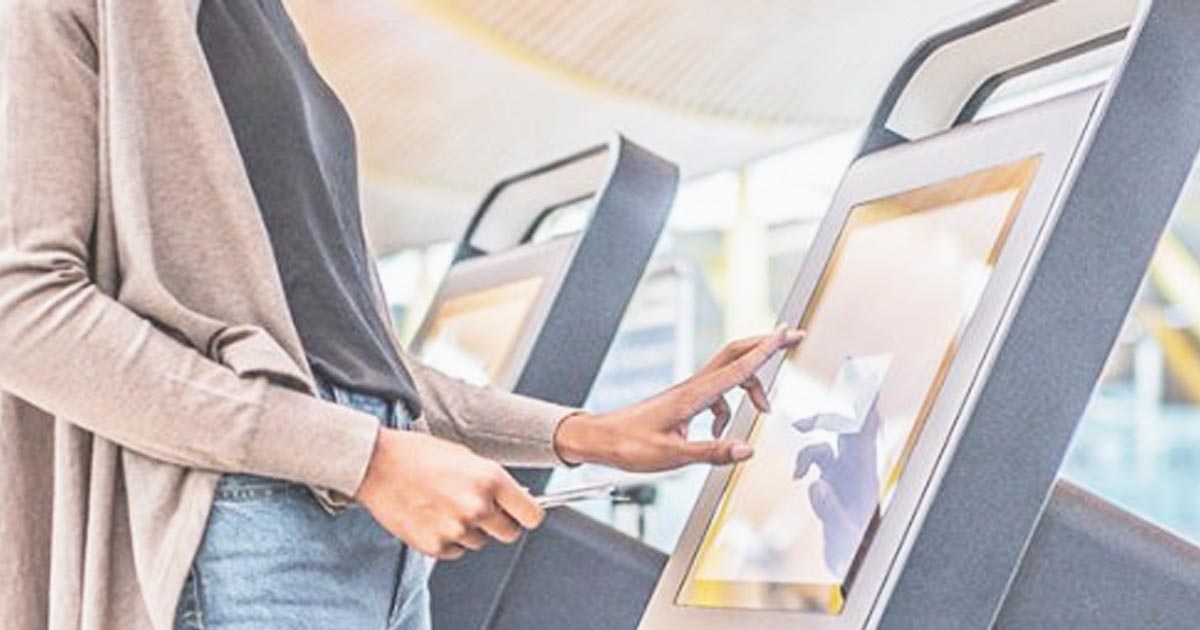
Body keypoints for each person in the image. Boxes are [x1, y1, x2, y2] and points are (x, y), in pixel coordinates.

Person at [0, 1, 802, 629]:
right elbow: (22, 310)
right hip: (252, 528)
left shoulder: (264, 24)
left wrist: (585, 434)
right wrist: (367, 459)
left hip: (371, 539)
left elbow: (355, 366)